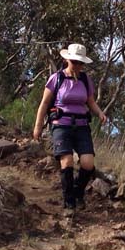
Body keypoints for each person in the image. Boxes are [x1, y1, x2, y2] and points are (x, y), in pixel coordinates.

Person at [32, 43, 108, 215]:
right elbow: (44, 103)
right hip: (61, 125)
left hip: (82, 126)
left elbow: (91, 102)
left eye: (80, 62)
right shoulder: (56, 78)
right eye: (74, 61)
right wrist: (37, 126)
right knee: (67, 162)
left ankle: (78, 193)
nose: (77, 65)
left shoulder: (85, 80)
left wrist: (100, 113)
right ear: (67, 60)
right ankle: (69, 203)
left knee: (88, 163)